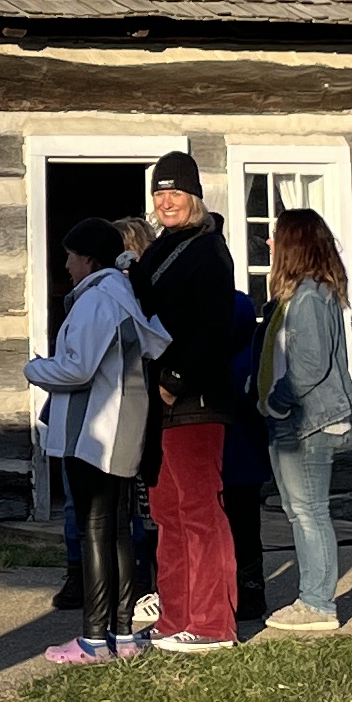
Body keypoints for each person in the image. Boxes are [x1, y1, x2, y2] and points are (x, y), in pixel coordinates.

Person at [130, 149, 247, 653]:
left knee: (200, 510)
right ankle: (173, 617)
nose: (166, 200)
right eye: (159, 192)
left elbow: (212, 327)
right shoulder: (162, 247)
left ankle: (213, 623)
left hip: (194, 396)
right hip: (158, 401)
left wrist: (175, 377)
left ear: (194, 195)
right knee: (167, 512)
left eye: (175, 191)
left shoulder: (208, 249)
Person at [28, 218, 158, 665]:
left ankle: (93, 639)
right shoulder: (118, 295)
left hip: (95, 433)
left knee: (95, 532)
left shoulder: (97, 299)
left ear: (89, 258)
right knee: (117, 531)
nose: (65, 264)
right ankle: (121, 634)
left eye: (69, 255)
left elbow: (77, 369)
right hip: (118, 427)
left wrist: (35, 370)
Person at [256, 207, 352, 631]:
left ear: (294, 244)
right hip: (292, 419)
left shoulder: (311, 296)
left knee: (310, 510)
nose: (269, 243)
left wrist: (277, 402)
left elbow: (310, 365)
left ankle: (318, 604)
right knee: (298, 511)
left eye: (276, 236)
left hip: (309, 421)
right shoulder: (296, 295)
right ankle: (312, 598)